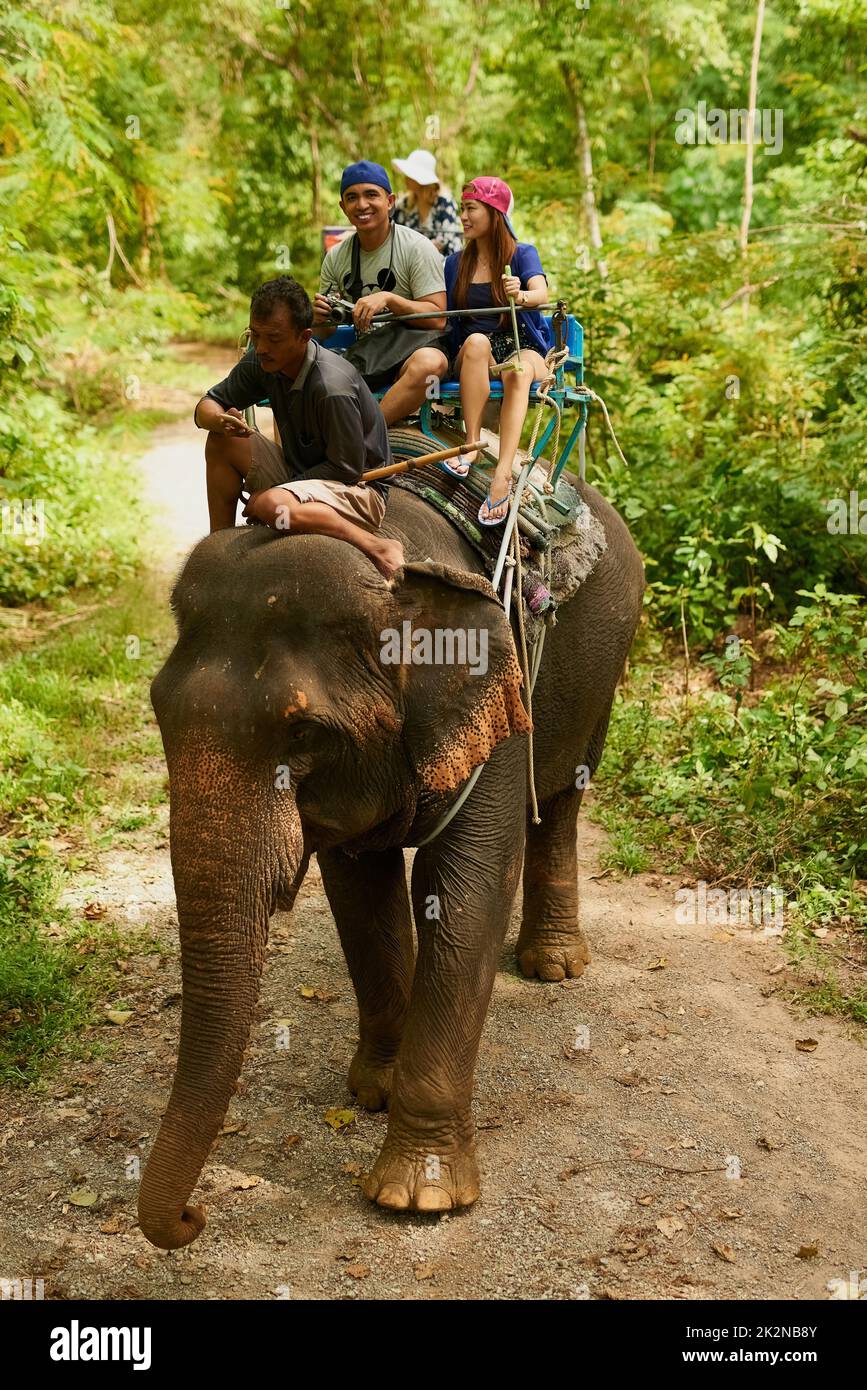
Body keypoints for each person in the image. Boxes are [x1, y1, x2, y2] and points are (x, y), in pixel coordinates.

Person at [194, 276, 404, 579]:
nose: (262, 347)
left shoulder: (332, 386)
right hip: (301, 474)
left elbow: (345, 468)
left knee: (272, 505)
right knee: (221, 441)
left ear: (304, 336)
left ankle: (376, 546)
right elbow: (208, 402)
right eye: (255, 335)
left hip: (357, 487)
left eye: (274, 339)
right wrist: (216, 419)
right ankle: (220, 551)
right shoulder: (263, 360)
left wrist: (274, 493)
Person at [443, 177, 553, 526]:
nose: (463, 216)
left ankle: (503, 473)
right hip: (479, 353)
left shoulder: (521, 254)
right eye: (462, 208)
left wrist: (519, 295)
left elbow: (542, 295)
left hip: (522, 345)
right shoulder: (455, 263)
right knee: (475, 342)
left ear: (495, 213)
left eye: (471, 208)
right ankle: (472, 445)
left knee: (516, 369)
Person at [312, 161, 450, 425]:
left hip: (414, 349)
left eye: (371, 195)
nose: (362, 205)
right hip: (368, 357)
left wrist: (389, 299)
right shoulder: (336, 257)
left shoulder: (417, 248)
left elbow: (438, 318)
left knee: (431, 364)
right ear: (343, 207)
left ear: (390, 201)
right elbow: (324, 332)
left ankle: (367, 436)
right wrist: (319, 318)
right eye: (352, 197)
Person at [391, 148, 463, 256]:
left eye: (409, 174)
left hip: (442, 265)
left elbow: (446, 240)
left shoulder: (444, 204)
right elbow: (395, 236)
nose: (405, 178)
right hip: (409, 264)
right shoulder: (404, 205)